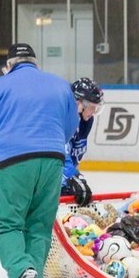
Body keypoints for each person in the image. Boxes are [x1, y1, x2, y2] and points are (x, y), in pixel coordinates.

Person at [0, 43, 76, 278]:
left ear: (9, 66)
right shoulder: (61, 86)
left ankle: (20, 268)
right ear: (35, 63)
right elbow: (70, 127)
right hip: (52, 161)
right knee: (39, 226)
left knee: (8, 224)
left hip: (14, 162)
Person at [60, 77, 104, 206]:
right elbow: (61, 152)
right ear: (80, 103)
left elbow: (75, 151)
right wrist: (74, 176)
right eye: (92, 107)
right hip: (51, 182)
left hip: (65, 180)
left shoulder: (87, 120)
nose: (94, 111)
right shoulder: (65, 118)